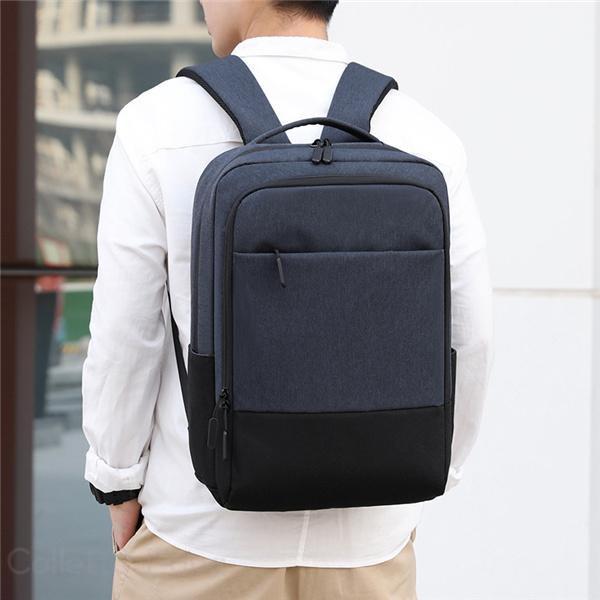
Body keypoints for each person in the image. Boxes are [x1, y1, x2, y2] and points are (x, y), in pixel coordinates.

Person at [81, 1, 493, 598]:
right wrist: (428, 475)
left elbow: (126, 335)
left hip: (199, 536)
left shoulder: (156, 124)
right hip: (368, 549)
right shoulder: (421, 133)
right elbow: (470, 333)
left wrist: (117, 483)